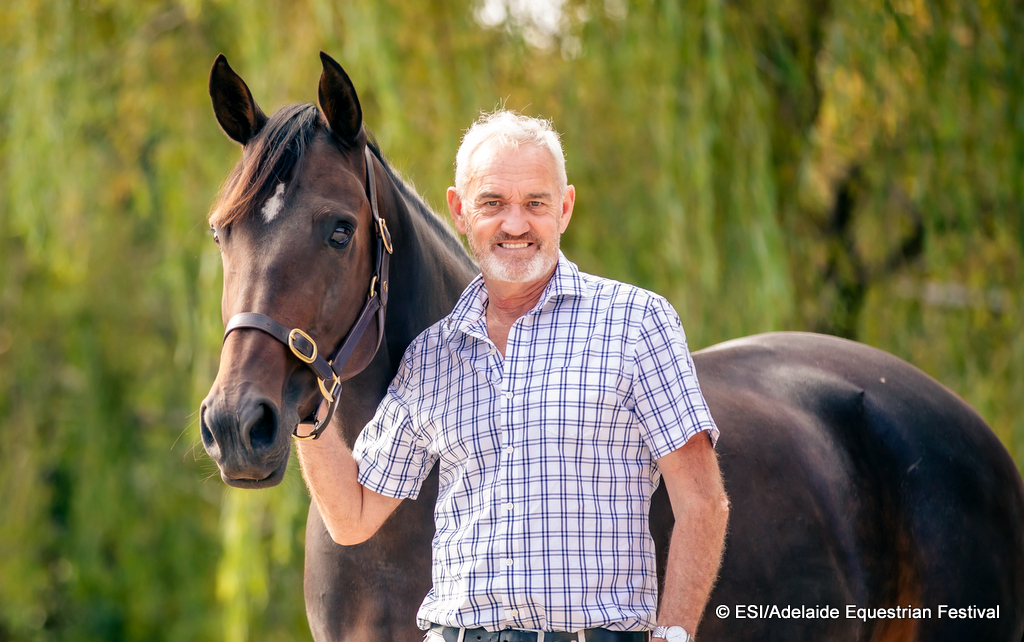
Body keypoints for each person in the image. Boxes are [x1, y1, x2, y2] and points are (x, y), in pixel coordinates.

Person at [296, 110, 729, 642]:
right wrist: (306, 410)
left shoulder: (637, 323)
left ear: (565, 208)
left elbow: (703, 502)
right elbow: (352, 517)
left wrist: (677, 633)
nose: (516, 224)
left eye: (536, 204)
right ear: (459, 210)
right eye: (493, 203)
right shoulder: (433, 355)